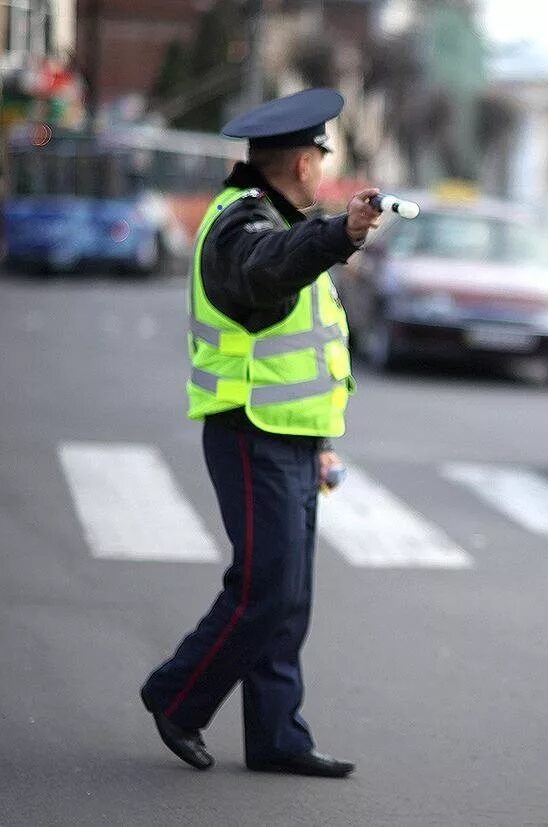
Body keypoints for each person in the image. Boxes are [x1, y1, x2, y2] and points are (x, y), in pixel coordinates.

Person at [139, 88, 384, 777]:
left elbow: (305, 342)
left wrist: (322, 439)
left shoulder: (273, 219)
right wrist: (339, 234)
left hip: (292, 434)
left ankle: (278, 735)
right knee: (264, 588)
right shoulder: (239, 227)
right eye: (318, 156)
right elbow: (265, 271)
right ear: (306, 163)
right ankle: (176, 697)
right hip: (250, 430)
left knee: (288, 594)